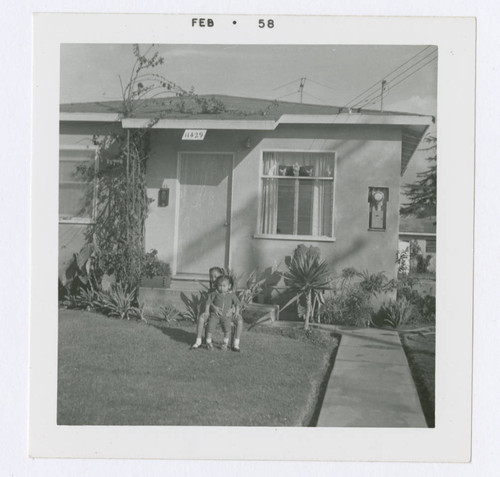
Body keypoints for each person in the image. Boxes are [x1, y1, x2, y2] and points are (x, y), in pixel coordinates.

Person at [204, 275, 242, 351]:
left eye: (224, 286)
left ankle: (225, 343)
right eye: (220, 286)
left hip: (227, 316)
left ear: (229, 286)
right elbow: (208, 302)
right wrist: (207, 311)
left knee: (227, 330)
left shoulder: (231, 295)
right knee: (210, 327)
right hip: (215, 315)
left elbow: (237, 303)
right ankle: (208, 342)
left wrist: (236, 312)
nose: (221, 288)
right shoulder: (214, 294)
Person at [191, 266, 223, 350]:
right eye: (211, 277)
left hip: (223, 312)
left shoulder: (225, 288)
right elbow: (209, 301)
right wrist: (213, 308)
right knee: (201, 317)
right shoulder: (211, 290)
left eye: (215, 276)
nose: (213, 279)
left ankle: (211, 341)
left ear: (221, 276)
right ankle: (198, 341)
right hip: (212, 312)